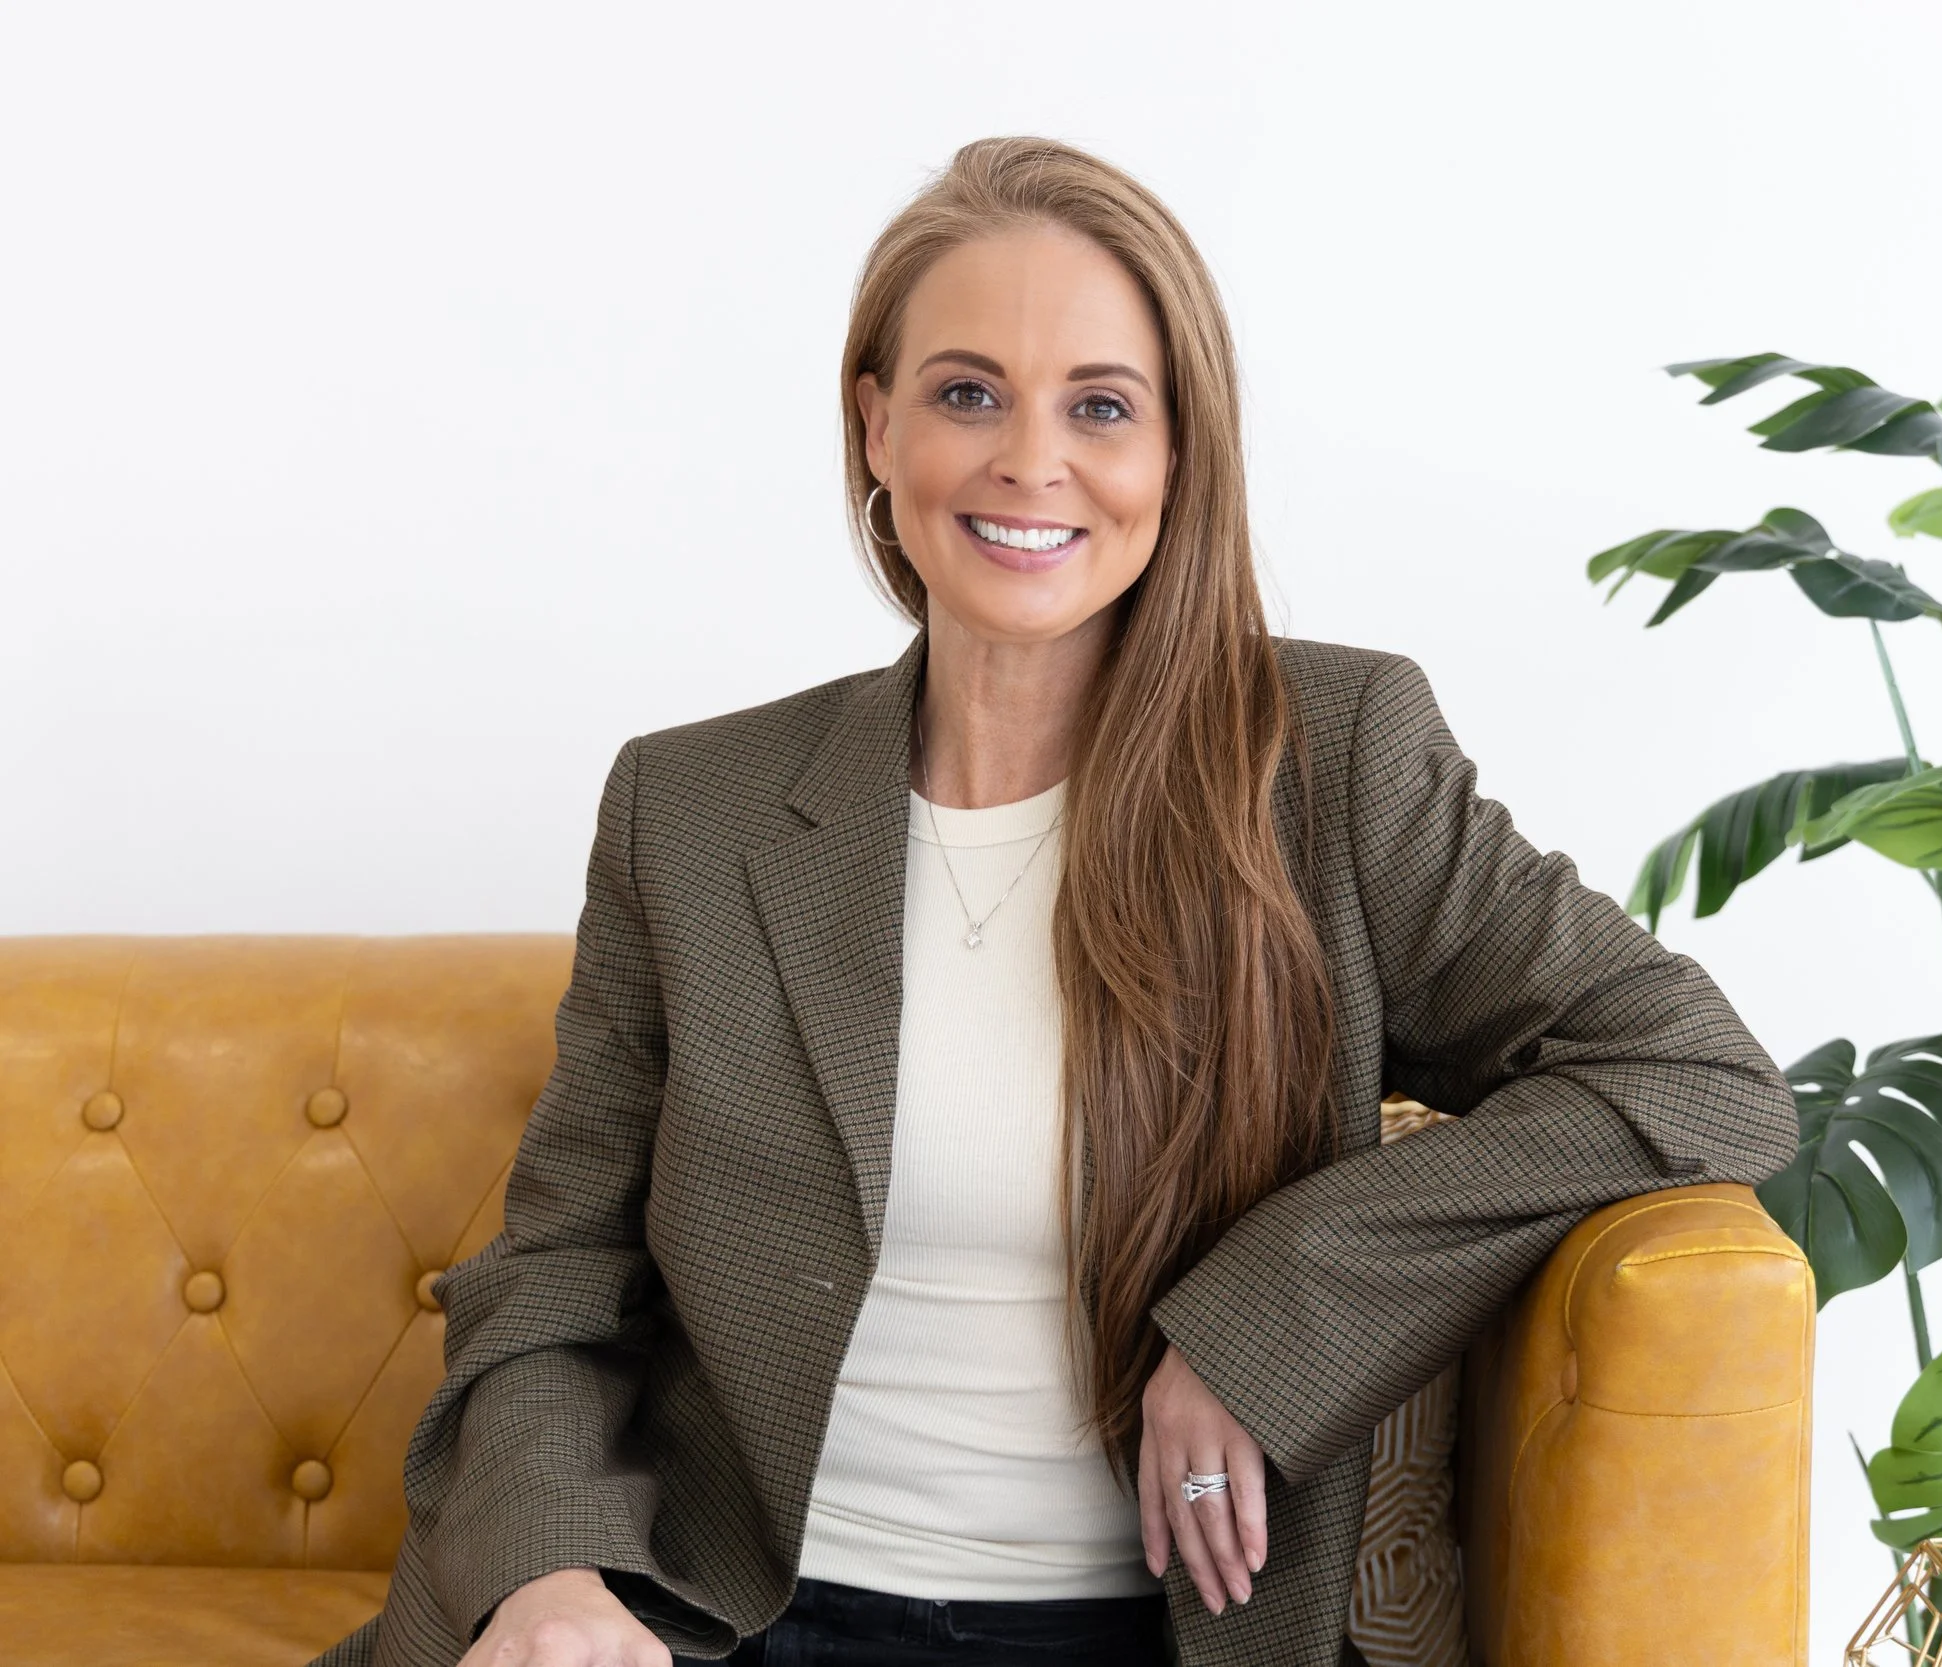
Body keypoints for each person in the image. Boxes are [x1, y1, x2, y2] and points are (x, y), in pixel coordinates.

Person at [310, 135, 1798, 1667]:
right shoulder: (687, 809)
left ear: (1177, 457)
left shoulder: (1335, 761)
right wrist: (550, 1579)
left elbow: (1694, 1073)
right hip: (715, 1615)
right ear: (877, 428)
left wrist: (1267, 1310)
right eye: (968, 393)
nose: (1033, 460)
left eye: (1101, 405)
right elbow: (553, 1275)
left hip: (1142, 1633)